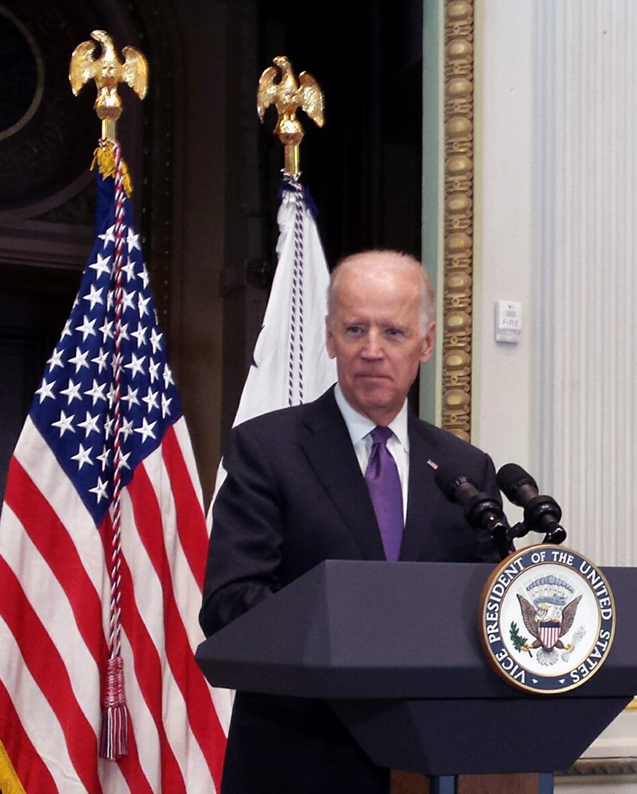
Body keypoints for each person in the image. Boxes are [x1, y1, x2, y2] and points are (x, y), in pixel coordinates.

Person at [200, 250, 504, 793]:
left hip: (433, 759)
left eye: (392, 332)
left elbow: (487, 605)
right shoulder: (267, 449)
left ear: (426, 343)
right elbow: (230, 602)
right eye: (355, 329)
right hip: (298, 757)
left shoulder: (465, 469)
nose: (371, 351)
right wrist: (357, 633)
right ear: (329, 338)